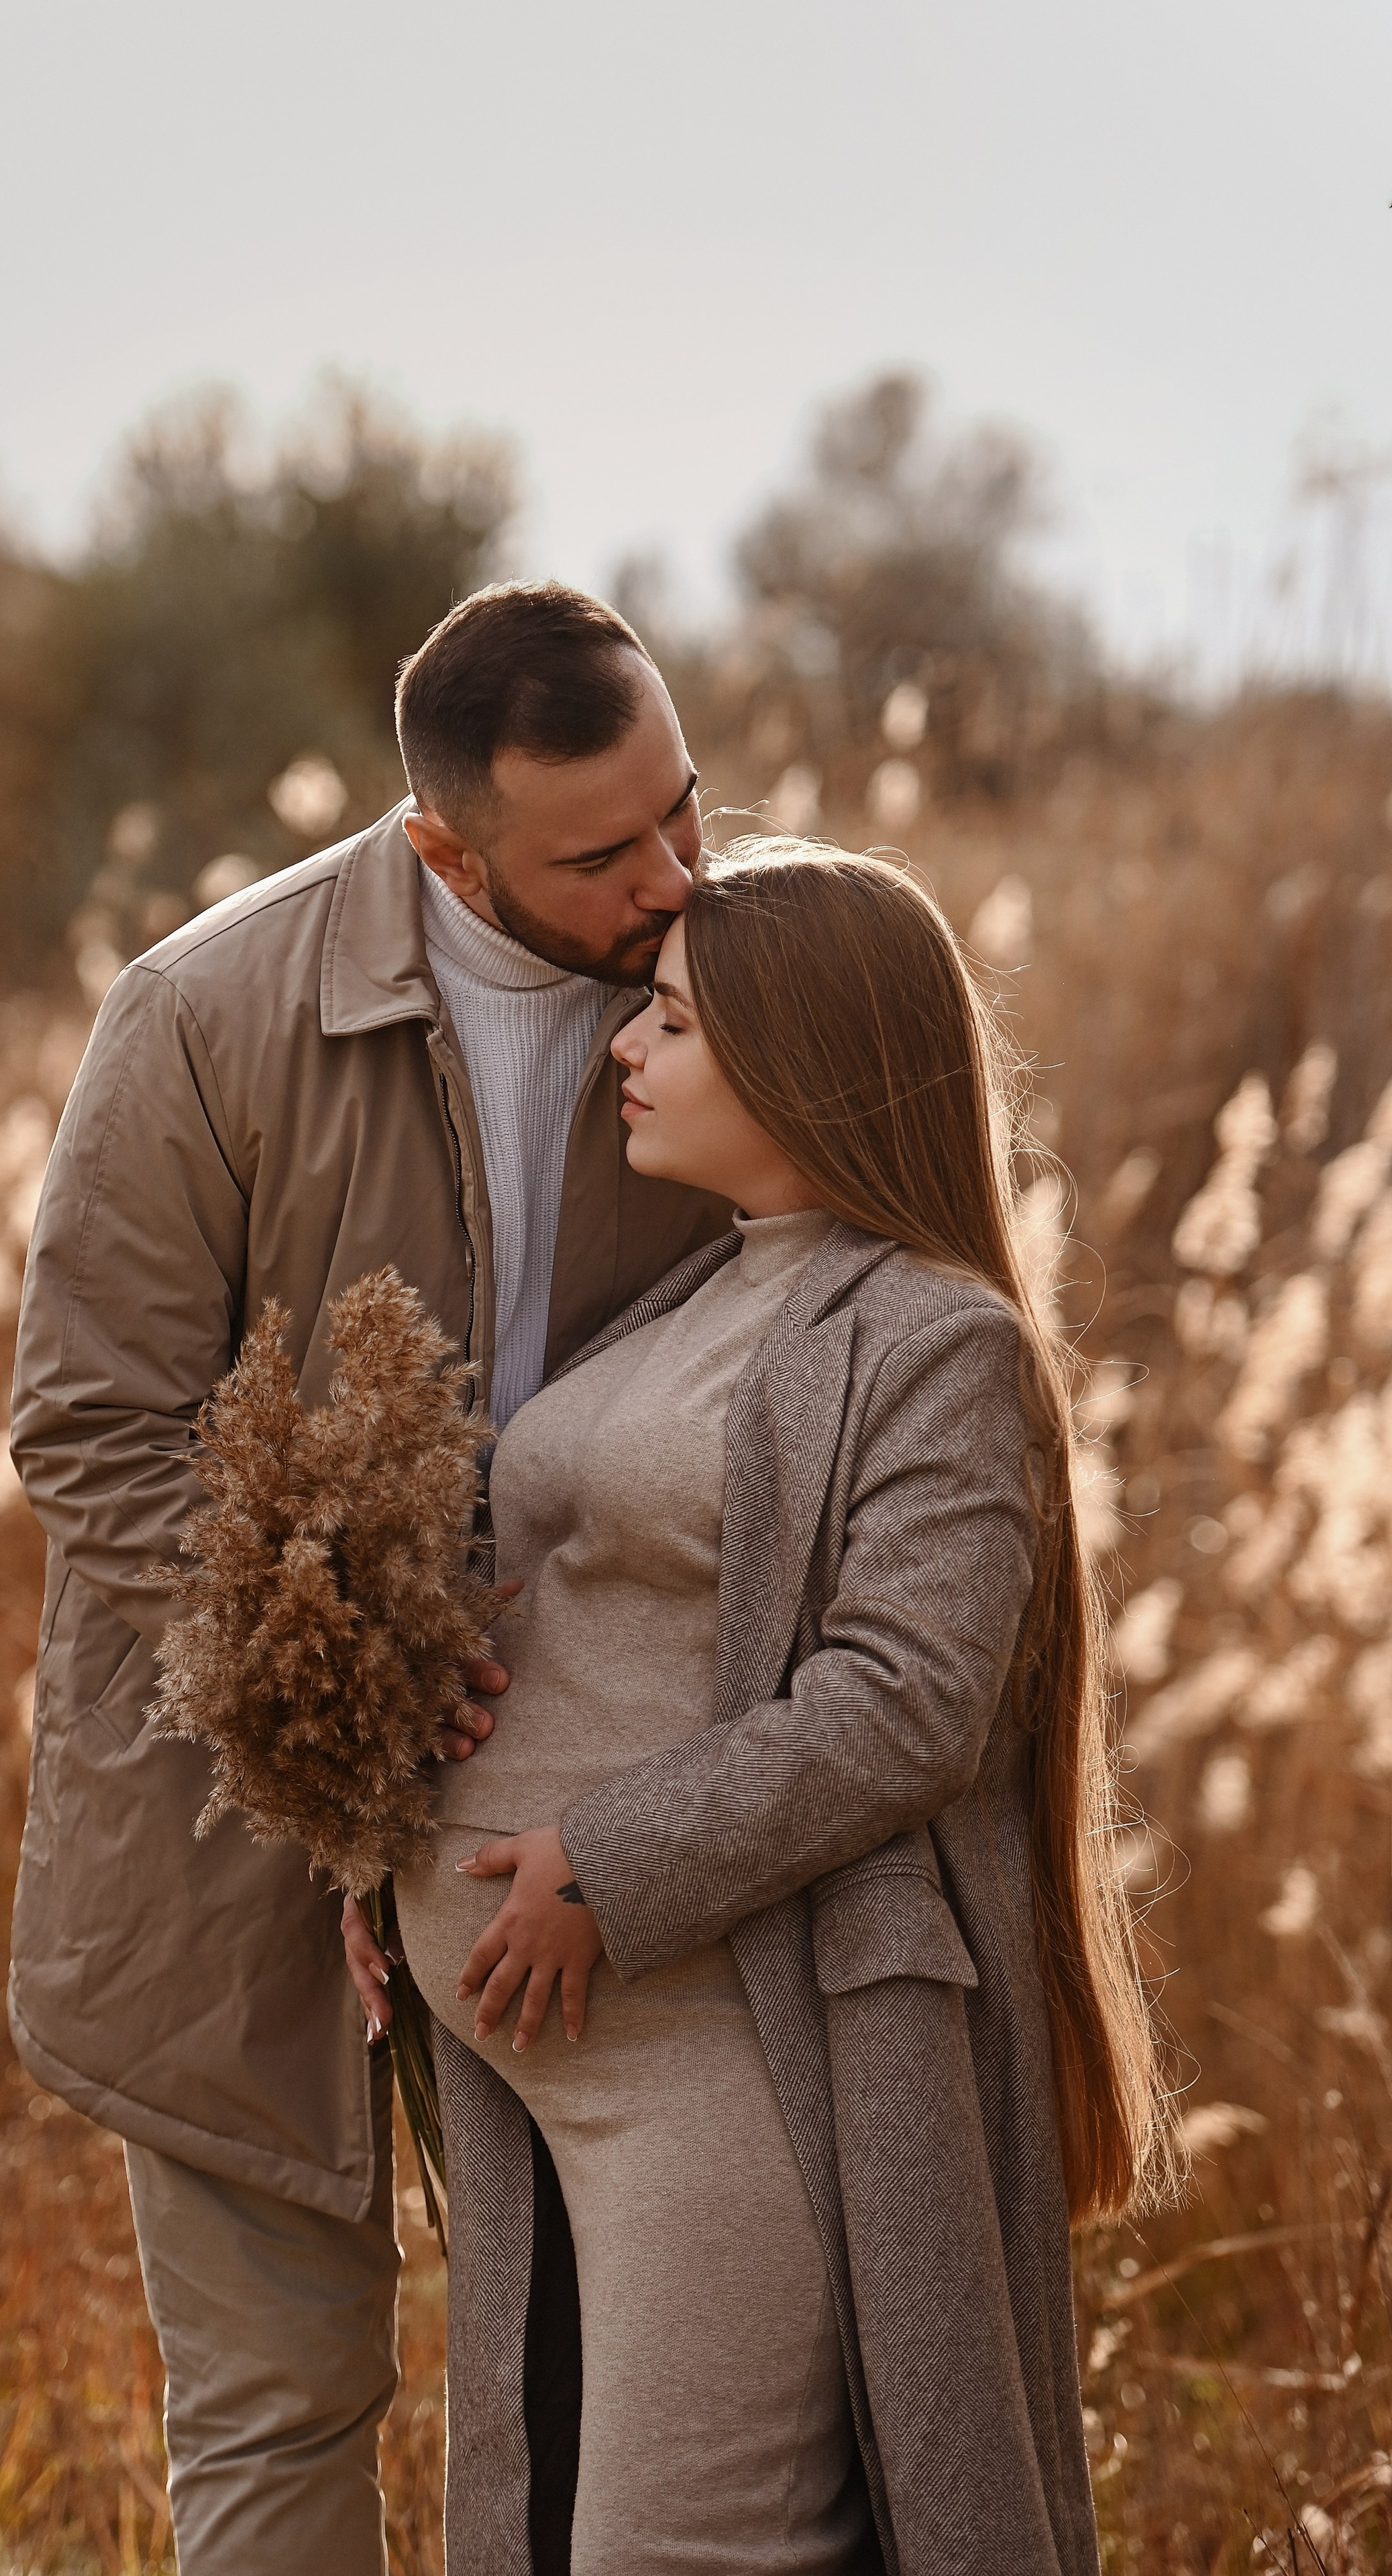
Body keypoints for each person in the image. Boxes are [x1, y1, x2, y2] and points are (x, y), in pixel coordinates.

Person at [7, 582, 729, 2575]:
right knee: (282, 2408)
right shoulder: (202, 1015)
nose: (674, 880)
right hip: (234, 1836)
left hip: (589, 1835)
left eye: (687, 805)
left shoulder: (737, 979)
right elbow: (91, 1424)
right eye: (601, 855)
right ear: (444, 847)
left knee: (616, 2421)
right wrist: (342, 1713)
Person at [350, 841, 1174, 2576]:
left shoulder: (936, 1342)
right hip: (544, 2055)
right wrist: (377, 1850)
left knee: (678, 2548)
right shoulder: (702, 1290)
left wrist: (605, 1863)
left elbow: (909, 1702)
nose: (626, 1049)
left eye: (672, 1022)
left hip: (731, 2049)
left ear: (805, 1058)